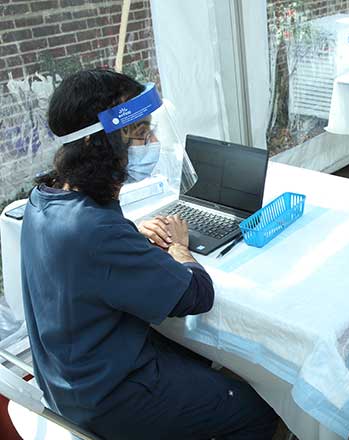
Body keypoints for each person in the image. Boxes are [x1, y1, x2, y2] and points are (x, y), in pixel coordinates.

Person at [20, 69, 278, 440]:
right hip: (110, 398)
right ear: (100, 145)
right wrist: (179, 248)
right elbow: (196, 295)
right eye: (141, 133)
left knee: (200, 360)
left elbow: (87, 256)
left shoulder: (44, 199)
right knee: (256, 411)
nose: (152, 141)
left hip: (69, 380)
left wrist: (130, 235)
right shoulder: (95, 231)